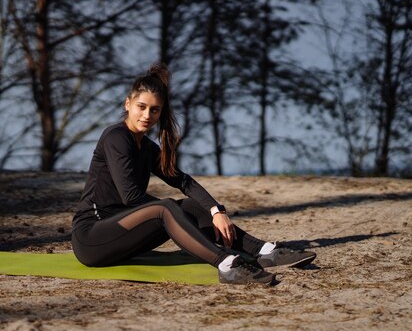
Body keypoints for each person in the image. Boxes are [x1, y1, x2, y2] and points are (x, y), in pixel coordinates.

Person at [71, 62, 315, 285]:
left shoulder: (147, 147)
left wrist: (216, 210)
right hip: (92, 237)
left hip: (123, 236)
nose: (147, 116)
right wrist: (172, 214)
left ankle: (263, 252)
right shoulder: (116, 137)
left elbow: (183, 181)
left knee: (187, 206)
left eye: (154, 110)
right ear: (128, 104)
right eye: (141, 107)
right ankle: (225, 263)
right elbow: (131, 197)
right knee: (167, 208)